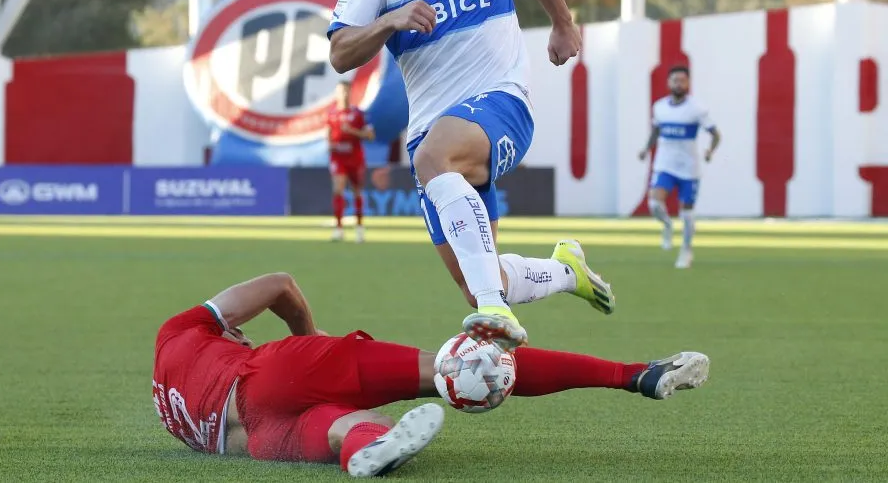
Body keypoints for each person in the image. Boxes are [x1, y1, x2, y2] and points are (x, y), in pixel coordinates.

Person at [326, 0, 605, 352]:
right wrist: (388, 21)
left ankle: (494, 310)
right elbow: (341, 53)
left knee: (435, 164)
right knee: (479, 278)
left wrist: (563, 23)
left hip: (502, 103)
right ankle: (566, 272)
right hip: (431, 131)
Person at [153, 271, 711, 478]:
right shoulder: (183, 329)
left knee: (349, 428)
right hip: (276, 374)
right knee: (457, 366)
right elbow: (278, 285)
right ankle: (633, 374)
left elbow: (228, 427)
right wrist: (312, 338)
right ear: (228, 334)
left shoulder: (171, 413)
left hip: (258, 440)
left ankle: (367, 447)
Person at [638, 65, 721, 268]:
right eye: (675, 80)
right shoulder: (659, 107)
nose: (679, 84)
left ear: (688, 83)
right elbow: (656, 131)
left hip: (689, 168)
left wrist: (710, 151)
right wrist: (646, 149)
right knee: (654, 203)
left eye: (683, 81)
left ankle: (686, 249)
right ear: (669, 83)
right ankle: (667, 225)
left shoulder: (697, 109)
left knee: (687, 213)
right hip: (665, 164)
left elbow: (715, 134)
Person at [328, 81, 375, 243]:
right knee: (338, 189)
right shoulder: (331, 114)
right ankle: (338, 229)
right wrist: (330, 145)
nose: (344, 95)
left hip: (355, 158)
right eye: (341, 91)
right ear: (336, 94)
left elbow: (370, 135)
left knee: (357, 191)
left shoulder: (359, 114)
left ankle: (359, 228)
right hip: (338, 158)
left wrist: (352, 131)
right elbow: (328, 133)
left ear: (350, 93)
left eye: (346, 91)